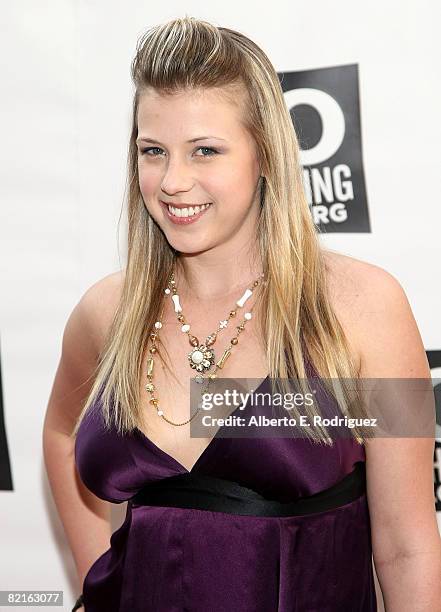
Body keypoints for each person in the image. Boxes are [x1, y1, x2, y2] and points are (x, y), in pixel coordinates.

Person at [42, 16, 441, 612]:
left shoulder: (366, 309)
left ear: (265, 155)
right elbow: (62, 431)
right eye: (154, 151)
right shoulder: (108, 312)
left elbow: (407, 545)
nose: (174, 182)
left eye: (205, 150)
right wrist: (98, 576)